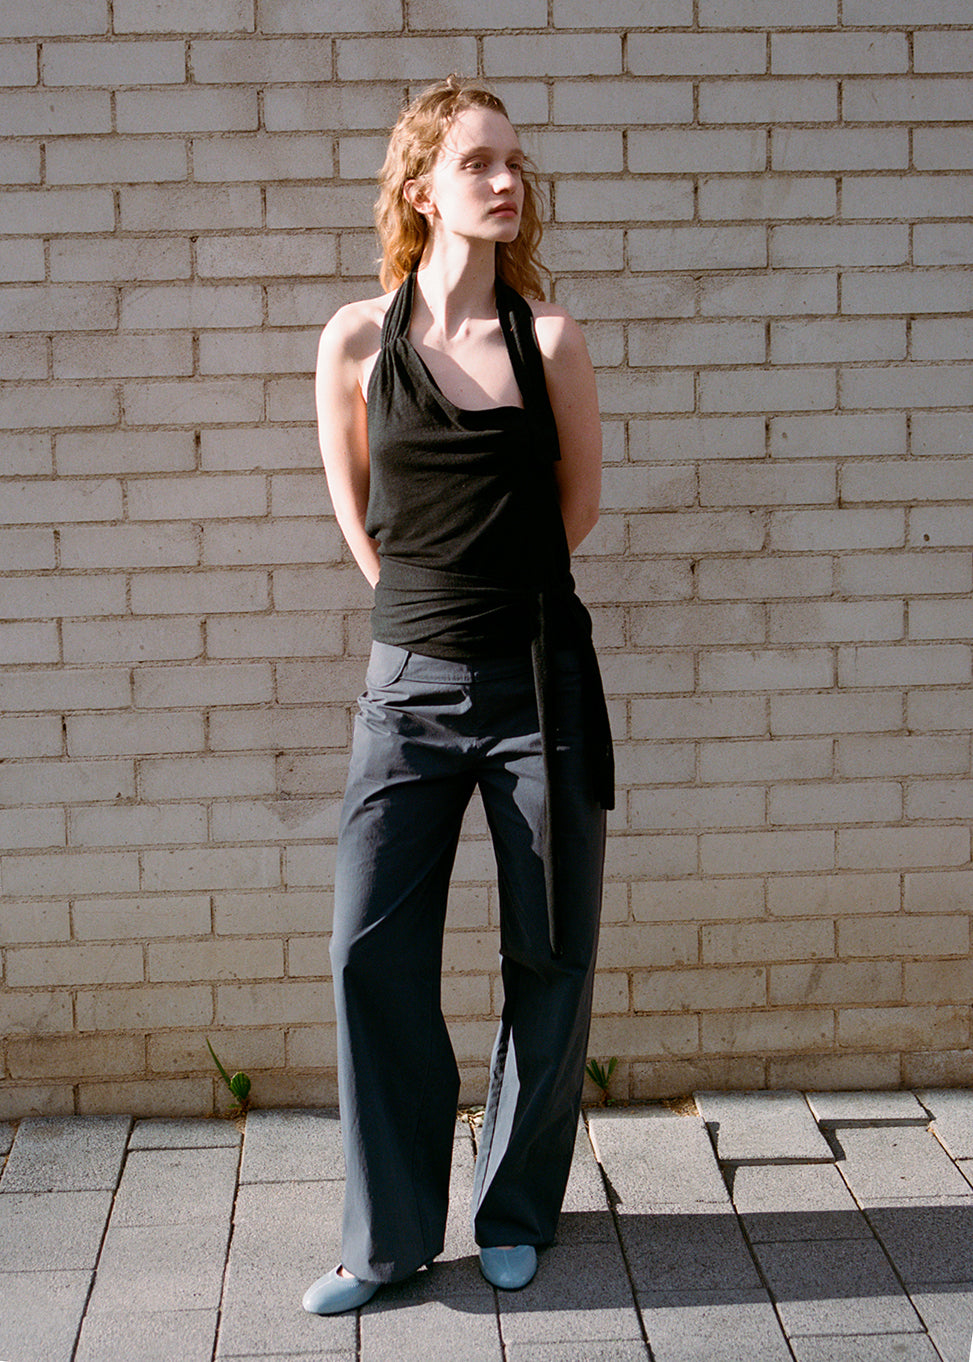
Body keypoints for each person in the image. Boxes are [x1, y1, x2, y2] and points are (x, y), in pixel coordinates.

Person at [302, 76, 614, 1316]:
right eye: (479, 161)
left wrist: (495, 619)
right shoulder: (354, 341)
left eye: (515, 164)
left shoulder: (548, 342)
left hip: (539, 681)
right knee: (368, 955)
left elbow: (572, 512)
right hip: (407, 691)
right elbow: (358, 509)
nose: (505, 181)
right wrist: (423, 625)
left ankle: (516, 1209)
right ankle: (383, 1246)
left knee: (549, 953)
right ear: (420, 184)